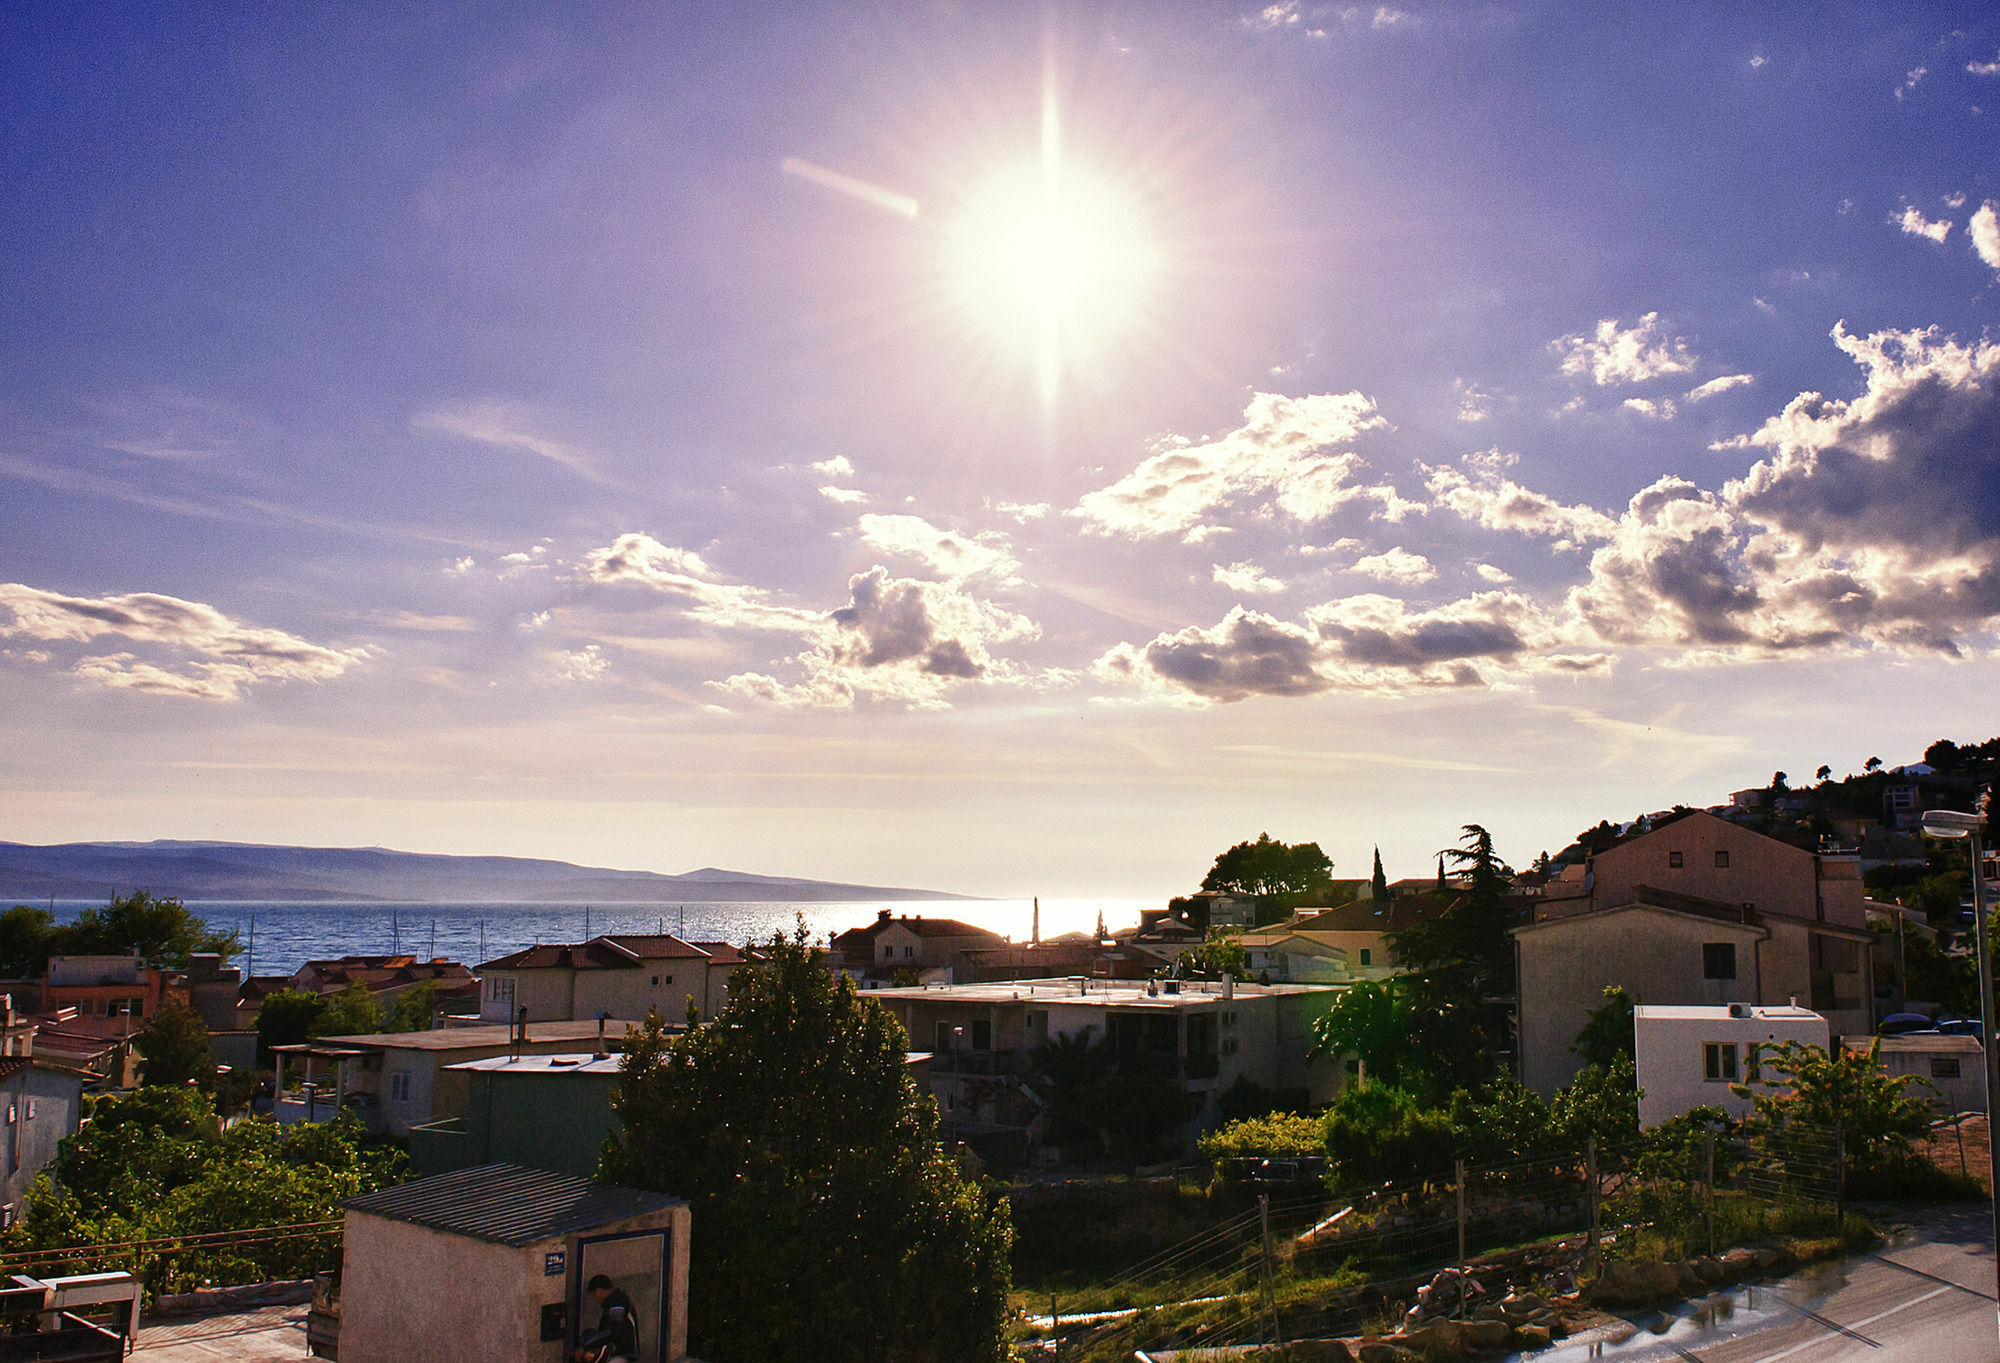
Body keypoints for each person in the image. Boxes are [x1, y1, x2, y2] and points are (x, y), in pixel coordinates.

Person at [572, 1274, 639, 1363]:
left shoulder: (618, 1303)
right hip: (619, 1353)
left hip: (623, 1354)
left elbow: (613, 1331)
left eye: (594, 1295)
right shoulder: (614, 1302)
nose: (595, 1299)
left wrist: (586, 1346)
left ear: (599, 1291)